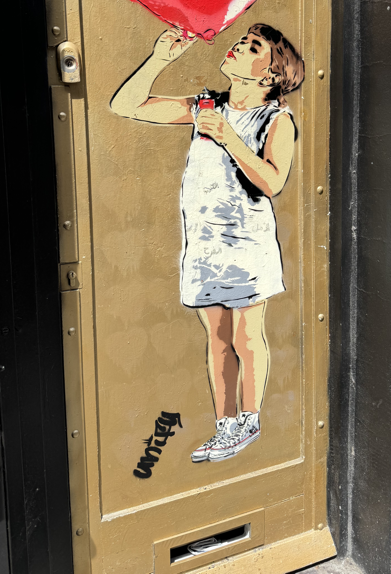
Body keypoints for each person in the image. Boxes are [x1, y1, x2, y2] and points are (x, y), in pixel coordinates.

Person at [111, 23, 304, 463]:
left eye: (252, 46)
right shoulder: (205, 106)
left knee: (246, 335)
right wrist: (160, 59)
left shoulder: (277, 120)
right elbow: (127, 105)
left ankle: (249, 421)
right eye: (242, 41)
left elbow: (273, 181)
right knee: (217, 338)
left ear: (269, 74)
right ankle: (225, 425)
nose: (238, 46)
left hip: (247, 243)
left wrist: (228, 136)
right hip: (204, 244)